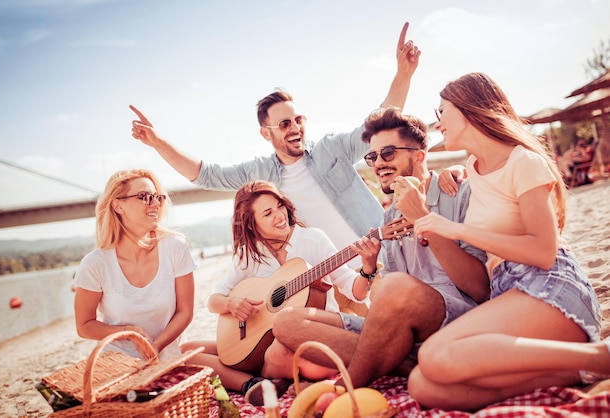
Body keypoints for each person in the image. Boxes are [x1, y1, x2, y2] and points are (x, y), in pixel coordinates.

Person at [128, 22, 420, 273]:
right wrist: (156, 142)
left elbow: (378, 124)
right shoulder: (260, 173)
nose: (294, 128)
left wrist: (403, 74)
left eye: (298, 119)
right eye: (283, 124)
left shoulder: (331, 149)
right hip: (332, 280)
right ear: (265, 134)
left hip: (384, 255)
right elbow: (205, 175)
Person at [407, 72, 606, 411]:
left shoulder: (524, 162)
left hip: (548, 284)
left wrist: (456, 230)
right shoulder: (472, 166)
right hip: (508, 291)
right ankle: (571, 371)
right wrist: (452, 172)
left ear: (469, 109)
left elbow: (544, 252)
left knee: (434, 354)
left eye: (442, 111)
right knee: (422, 385)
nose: (437, 123)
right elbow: (483, 181)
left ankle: (600, 356)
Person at [272, 108, 489, 389]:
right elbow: (388, 303)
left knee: (395, 286)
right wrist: (369, 268)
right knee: (287, 322)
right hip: (406, 333)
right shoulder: (389, 216)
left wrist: (424, 219)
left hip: (454, 320)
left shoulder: (460, 194)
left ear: (419, 156)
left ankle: (343, 390)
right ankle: (404, 364)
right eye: (372, 156)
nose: (378, 163)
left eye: (388, 153)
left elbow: (480, 289)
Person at [181, 180, 381, 405]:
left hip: (312, 341)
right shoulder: (250, 254)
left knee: (277, 351)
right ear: (251, 225)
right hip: (262, 343)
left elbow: (355, 290)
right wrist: (232, 305)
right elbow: (213, 301)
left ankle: (261, 381)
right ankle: (254, 382)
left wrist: (368, 268)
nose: (279, 215)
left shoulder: (312, 239)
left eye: (279, 206)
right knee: (187, 351)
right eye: (268, 213)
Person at [74, 169, 196, 360]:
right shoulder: (95, 264)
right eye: (145, 196)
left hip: (167, 359)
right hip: (115, 364)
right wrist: (127, 331)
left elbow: (185, 311)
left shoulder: (175, 247)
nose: (155, 203)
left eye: (158, 197)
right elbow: (84, 325)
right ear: (118, 206)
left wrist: (156, 347)